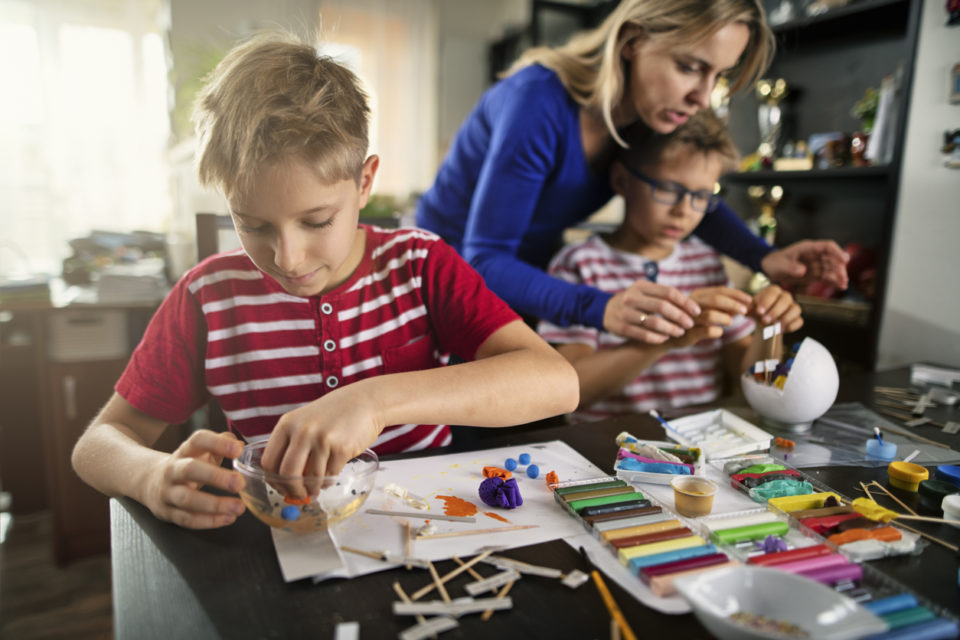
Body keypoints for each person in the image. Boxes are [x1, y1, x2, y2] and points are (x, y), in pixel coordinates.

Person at [70, 32, 579, 530]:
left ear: (364, 182)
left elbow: (556, 383)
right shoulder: (208, 297)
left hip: (426, 528)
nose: (287, 258)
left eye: (316, 221)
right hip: (283, 539)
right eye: (252, 225)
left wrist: (374, 400)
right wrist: (149, 475)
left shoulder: (420, 264)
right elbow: (99, 443)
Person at [416, 0, 845, 346]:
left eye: (718, 75)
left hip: (524, 277)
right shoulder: (537, 104)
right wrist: (601, 308)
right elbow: (484, 258)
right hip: (436, 281)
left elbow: (688, 195)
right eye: (690, 67)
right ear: (631, 41)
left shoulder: (648, 114)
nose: (702, 97)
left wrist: (763, 256)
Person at [538, 109, 802, 421]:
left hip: (699, 444)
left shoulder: (706, 263)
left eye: (701, 196)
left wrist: (770, 328)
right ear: (622, 180)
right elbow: (573, 388)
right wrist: (666, 338)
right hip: (608, 446)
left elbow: (753, 380)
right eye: (667, 189)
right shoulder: (579, 264)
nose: (683, 211)